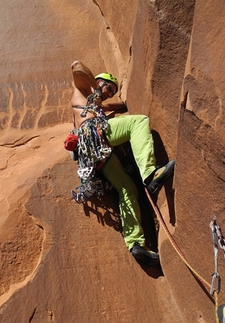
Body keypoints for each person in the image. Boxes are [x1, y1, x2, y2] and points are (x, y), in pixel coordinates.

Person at [68, 60, 175, 266]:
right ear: (97, 81)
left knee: (128, 188)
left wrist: (111, 99)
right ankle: (150, 174)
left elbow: (113, 105)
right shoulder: (81, 92)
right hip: (94, 134)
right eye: (107, 87)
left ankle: (135, 243)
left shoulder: (96, 105)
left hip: (95, 156)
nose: (108, 92)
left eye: (111, 91)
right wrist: (95, 88)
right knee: (139, 121)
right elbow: (76, 66)